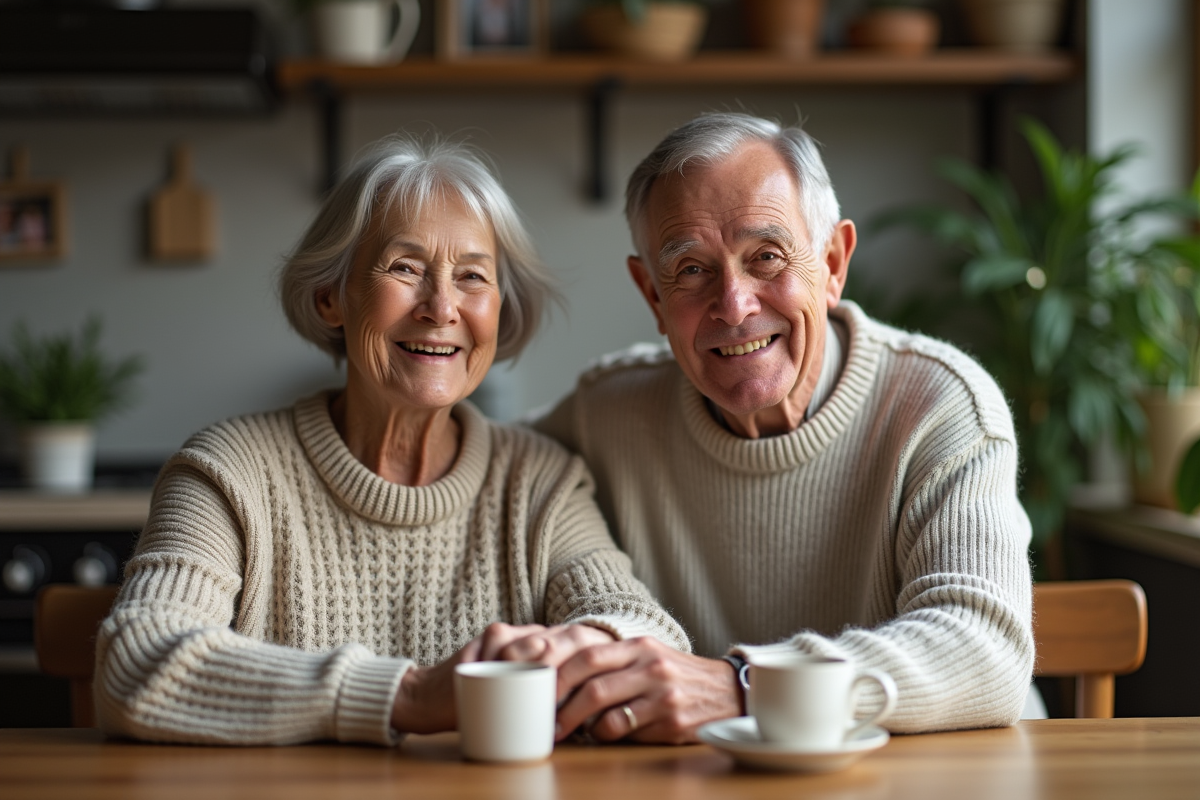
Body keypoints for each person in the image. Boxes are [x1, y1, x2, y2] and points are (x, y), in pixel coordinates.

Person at [94, 136, 689, 746]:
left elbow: (645, 634)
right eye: (405, 268)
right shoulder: (229, 472)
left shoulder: (542, 482)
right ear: (332, 296)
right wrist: (407, 695)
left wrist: (586, 644)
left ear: (498, 311)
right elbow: (137, 661)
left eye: (472, 277)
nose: (441, 307)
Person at [530, 112, 1034, 743]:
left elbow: (983, 650)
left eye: (766, 257)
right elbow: (482, 465)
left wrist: (742, 687)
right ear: (652, 296)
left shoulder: (940, 405)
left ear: (833, 261)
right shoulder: (607, 413)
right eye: (690, 270)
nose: (735, 304)